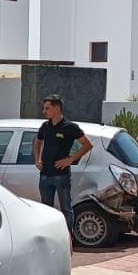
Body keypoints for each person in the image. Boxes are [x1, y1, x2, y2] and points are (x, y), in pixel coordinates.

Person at [32, 94, 92, 240]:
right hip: (45, 174)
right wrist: (38, 159)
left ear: (57, 108)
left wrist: (70, 160)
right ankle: (49, 237)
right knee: (46, 208)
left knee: (66, 208)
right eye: (44, 108)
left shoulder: (69, 127)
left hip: (61, 175)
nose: (44, 111)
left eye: (47, 108)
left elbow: (88, 145)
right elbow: (38, 142)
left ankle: (68, 237)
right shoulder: (45, 126)